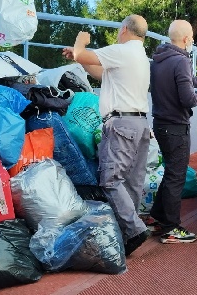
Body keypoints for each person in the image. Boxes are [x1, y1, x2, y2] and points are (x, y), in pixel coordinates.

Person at [62, 14, 152, 256]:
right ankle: (128, 234)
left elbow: (83, 53)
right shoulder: (139, 56)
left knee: (110, 180)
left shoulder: (122, 51)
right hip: (140, 124)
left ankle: (134, 229)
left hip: (121, 124)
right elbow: (101, 73)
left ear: (124, 29)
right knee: (132, 180)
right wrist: (80, 58)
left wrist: (80, 42)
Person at [148, 20, 197, 244]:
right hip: (175, 127)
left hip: (161, 124)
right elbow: (187, 97)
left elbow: (188, 80)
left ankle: (157, 217)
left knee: (171, 173)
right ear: (186, 39)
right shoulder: (181, 60)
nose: (192, 40)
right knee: (176, 176)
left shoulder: (159, 59)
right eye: (191, 36)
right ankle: (171, 228)